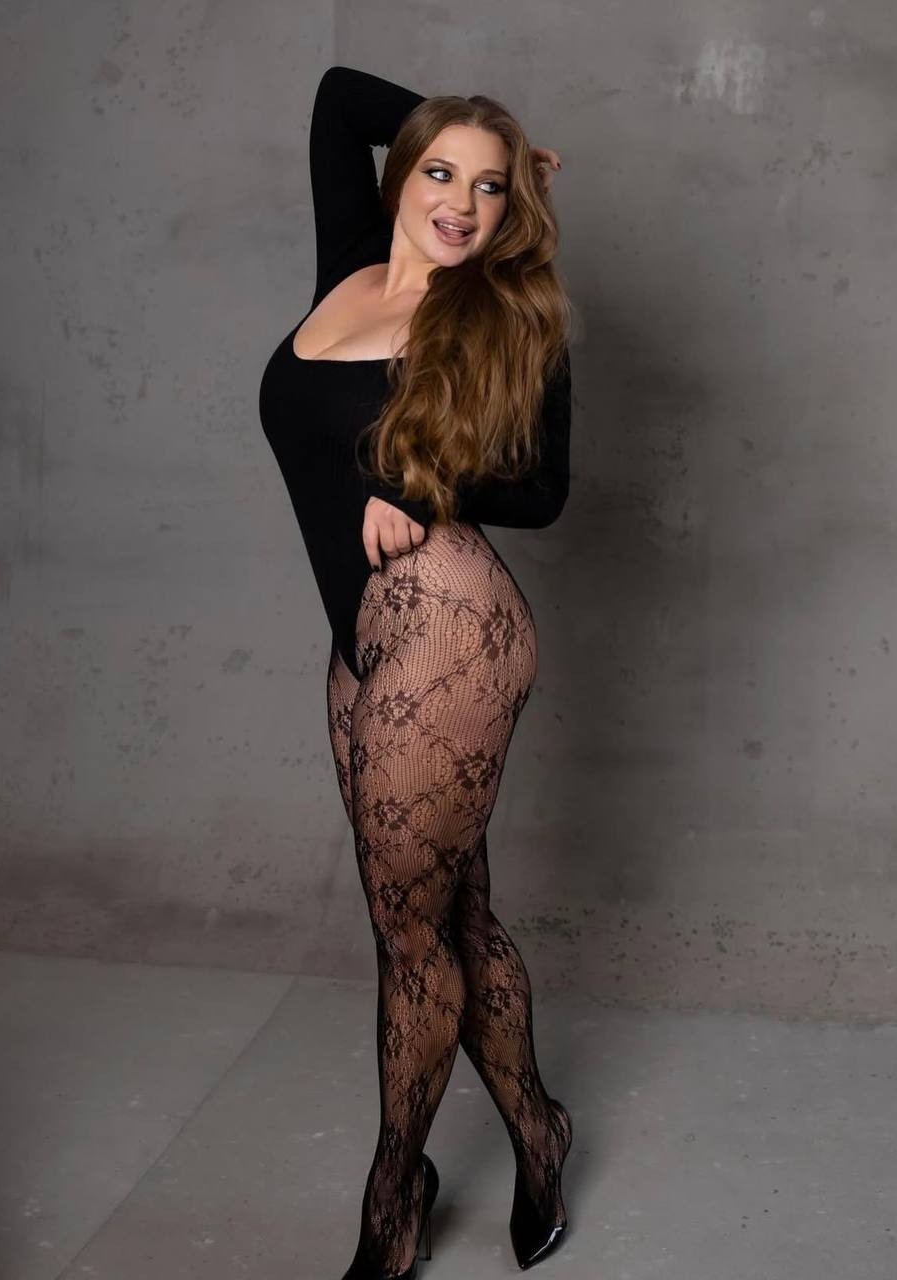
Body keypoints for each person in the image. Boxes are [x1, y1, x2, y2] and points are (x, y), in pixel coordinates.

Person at [258, 64, 574, 1279]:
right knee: (451, 916)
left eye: (490, 192)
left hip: (449, 629)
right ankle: (538, 1128)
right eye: (440, 174)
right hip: (363, 639)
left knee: (407, 935)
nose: (461, 204)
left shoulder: (501, 314)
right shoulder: (350, 262)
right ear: (400, 179)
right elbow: (338, 96)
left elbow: (543, 491)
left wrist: (419, 484)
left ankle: (394, 1199)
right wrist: (506, 146)